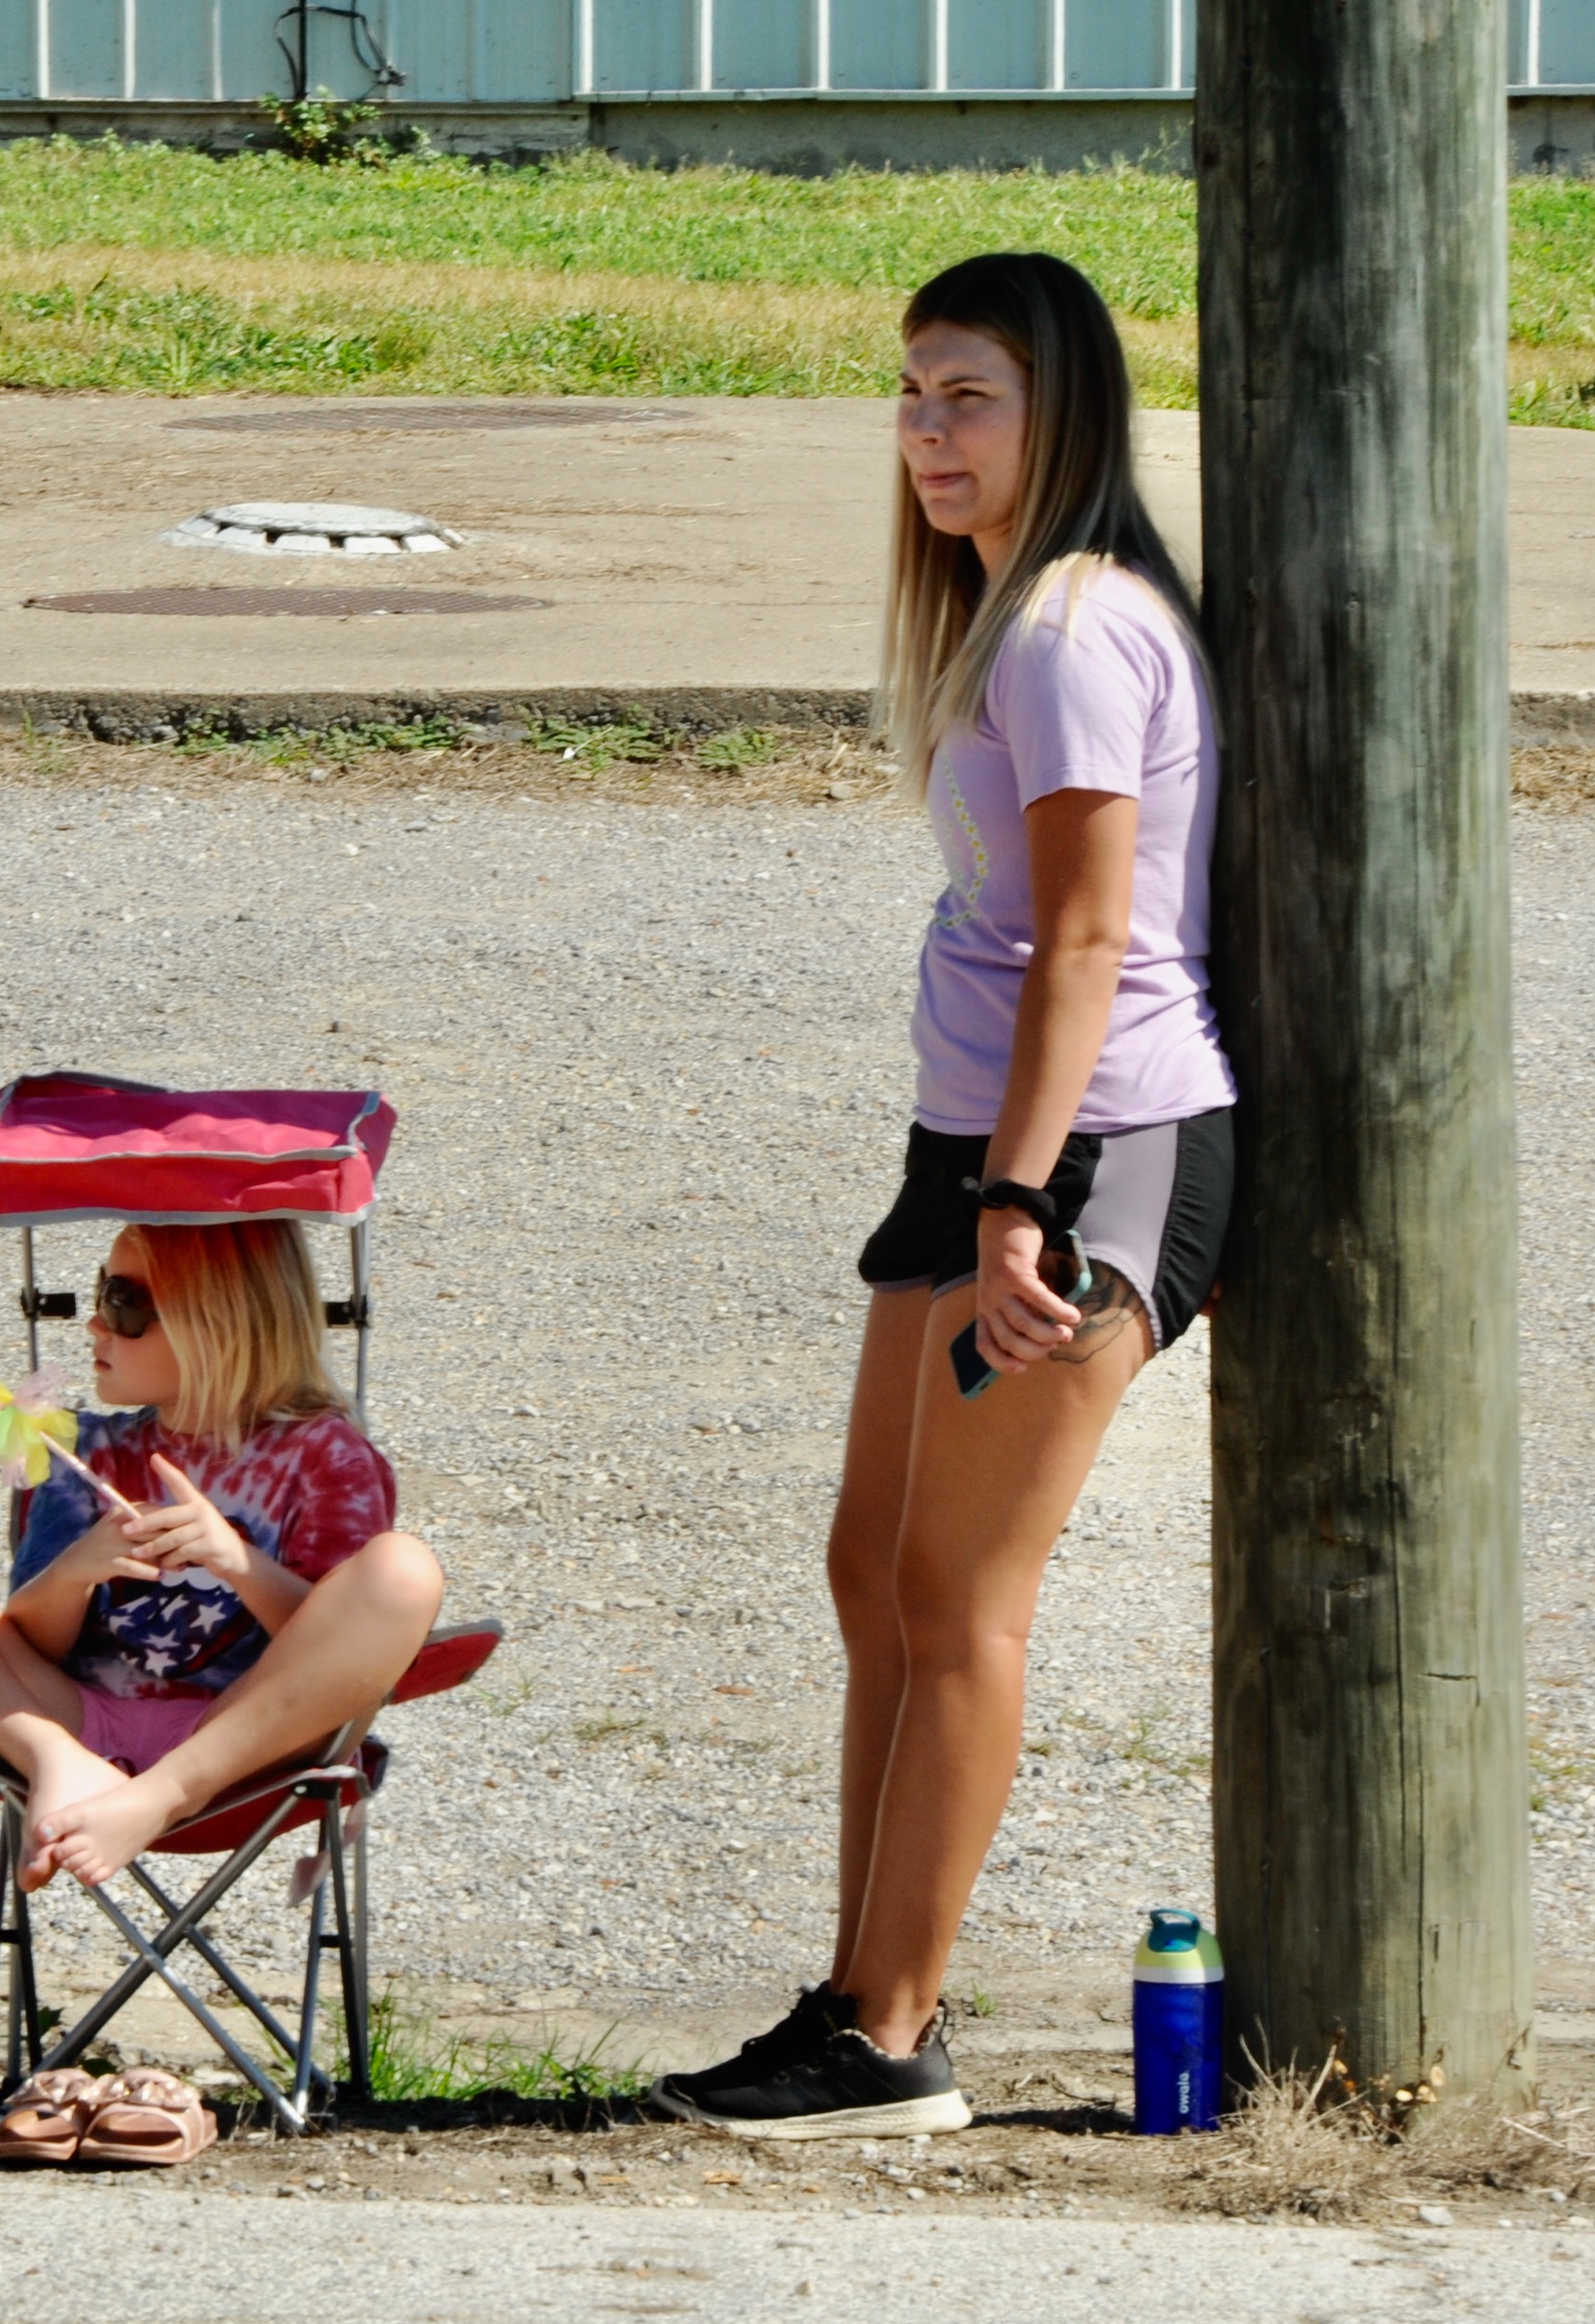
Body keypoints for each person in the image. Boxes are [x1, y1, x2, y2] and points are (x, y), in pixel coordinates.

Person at [651, 252, 1237, 2140]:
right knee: (875, 1572)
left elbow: (1086, 938)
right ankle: (851, 1995)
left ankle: (891, 2036)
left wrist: (1016, 1202)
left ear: (1057, 404)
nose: (926, 433)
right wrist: (972, 1172)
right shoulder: (1007, 617)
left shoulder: (1074, 624)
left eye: (967, 394)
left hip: (1086, 1145)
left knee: (968, 1591)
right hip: (974, 1144)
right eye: (909, 394)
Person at [0, 1216, 444, 1896]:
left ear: (218, 1322)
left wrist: (236, 1563)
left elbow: (335, 1658)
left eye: (122, 1302)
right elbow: (30, 1646)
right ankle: (54, 1760)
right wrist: (78, 1570)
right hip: (73, 1720)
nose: (94, 1326)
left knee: (402, 1571)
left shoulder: (326, 1460)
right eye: (98, 1293)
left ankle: (158, 1795)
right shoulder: (81, 1452)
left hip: (245, 1743)